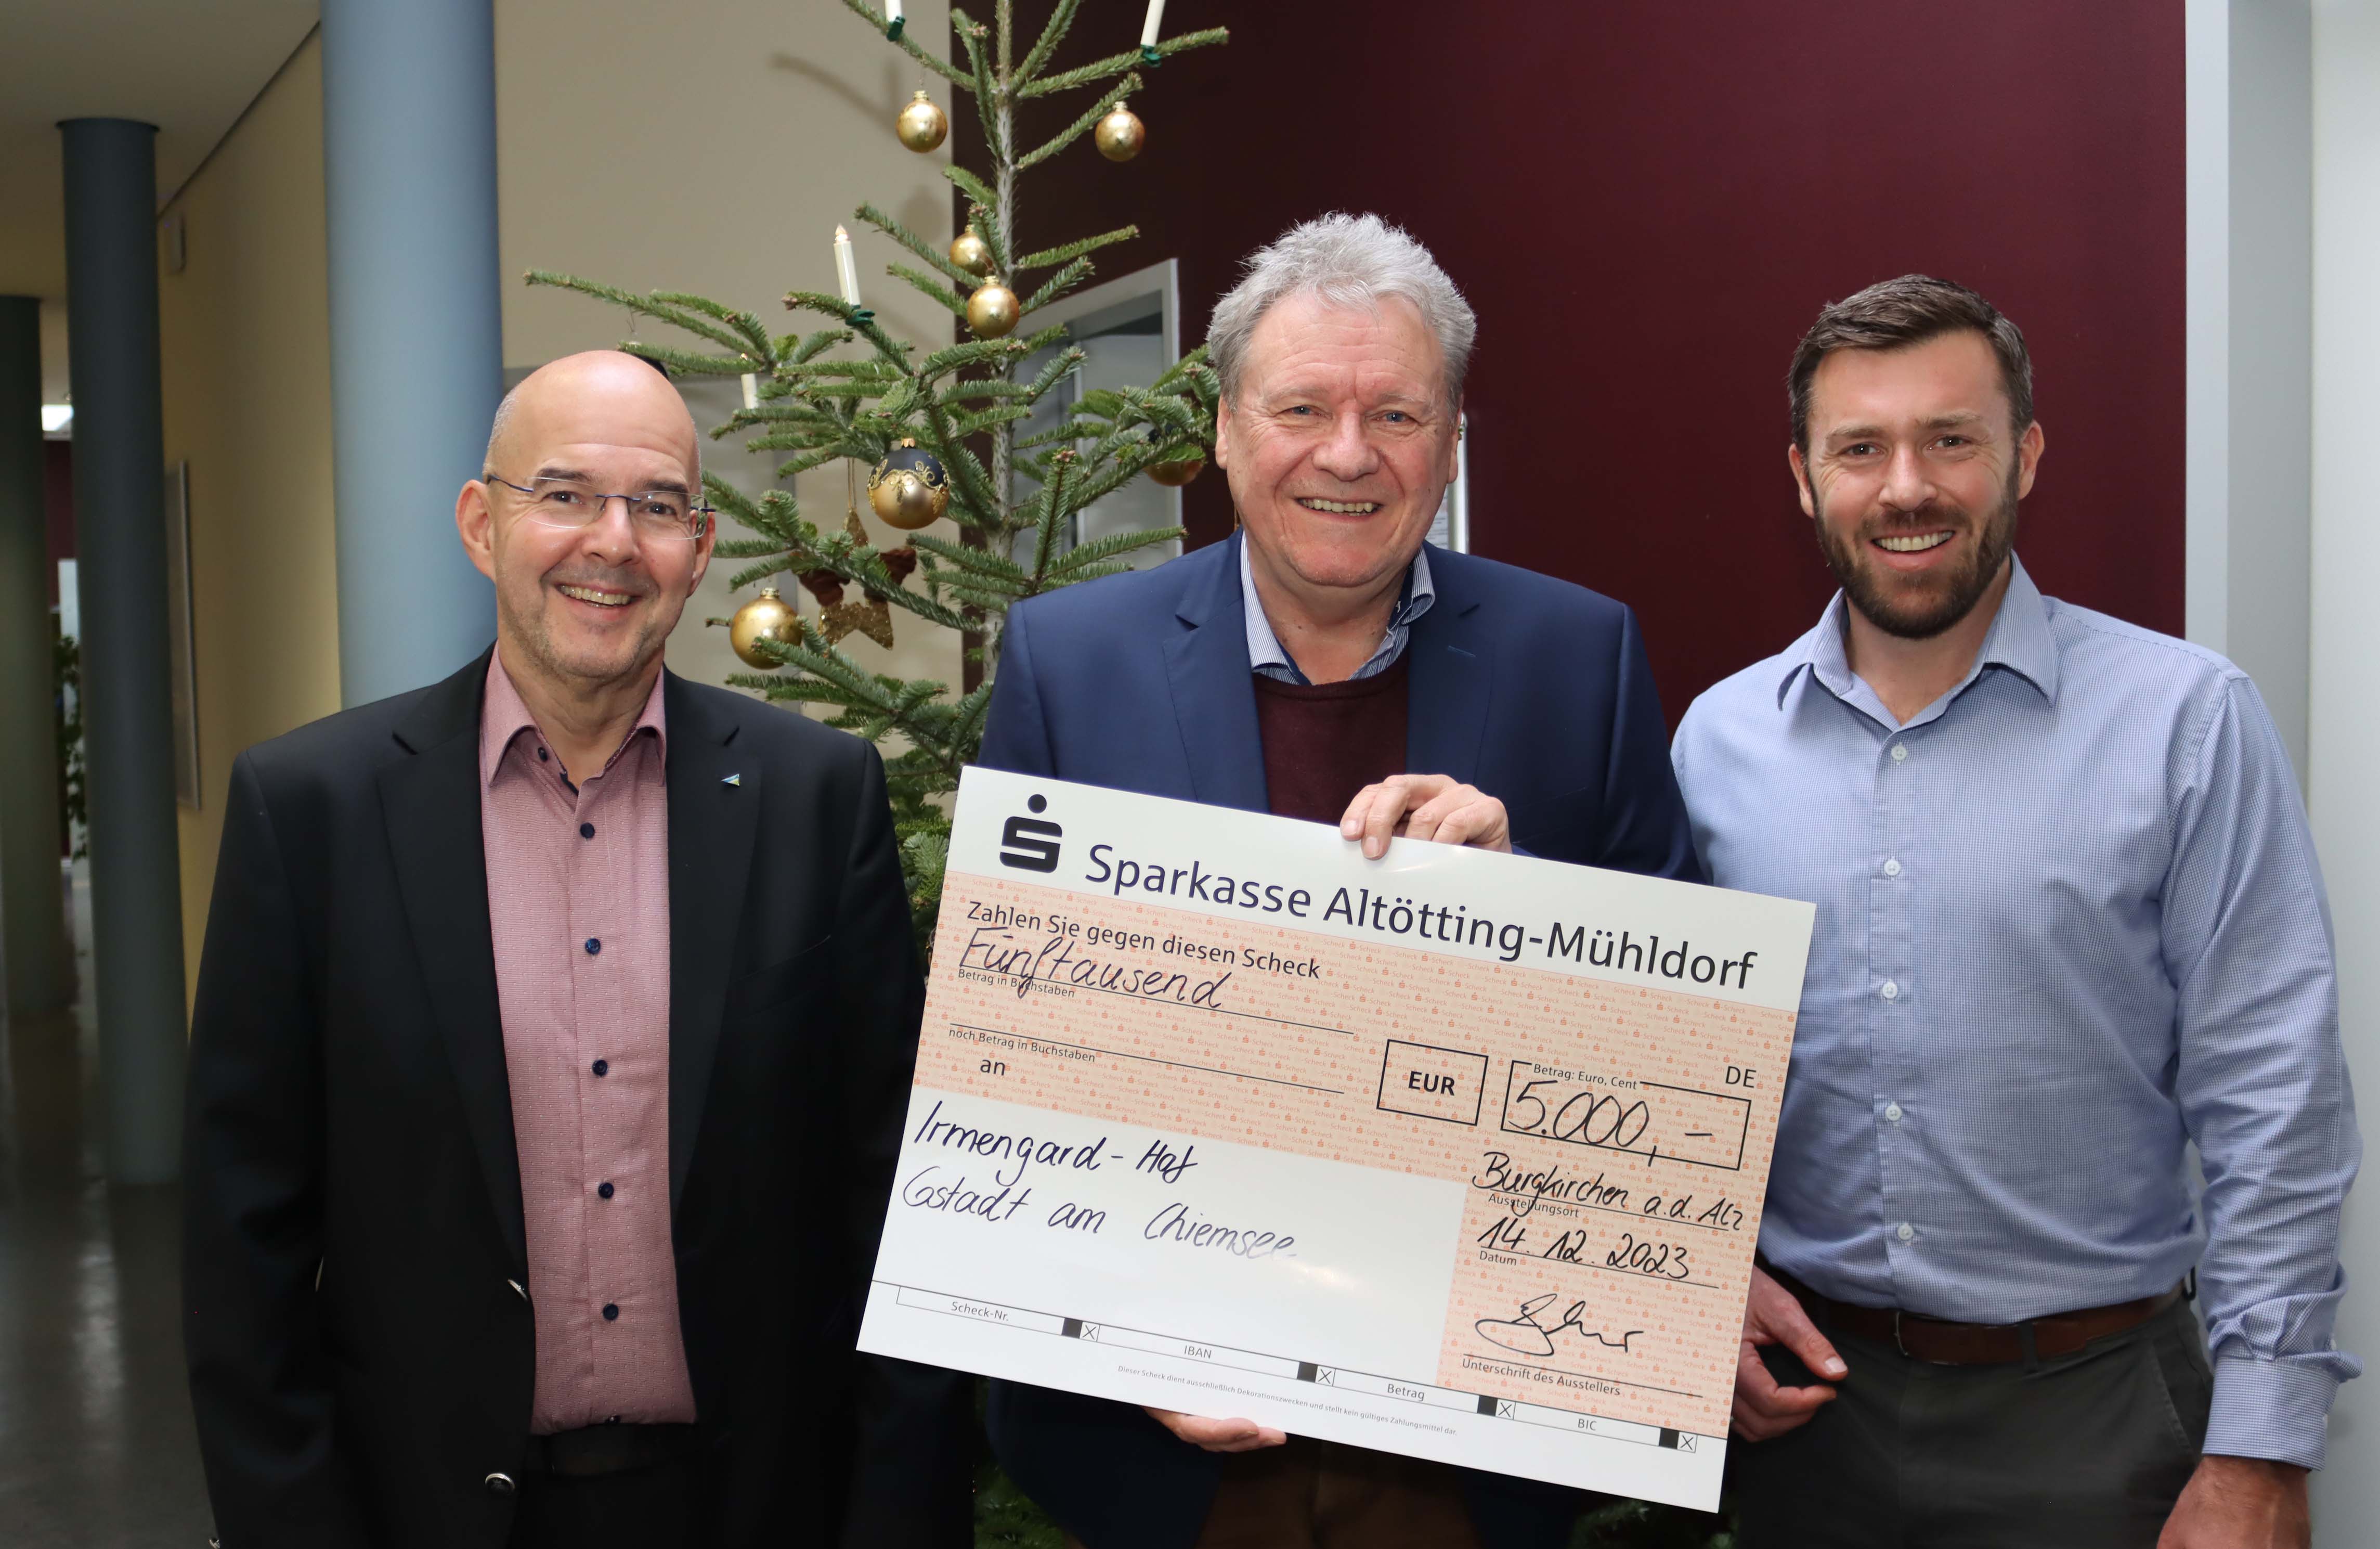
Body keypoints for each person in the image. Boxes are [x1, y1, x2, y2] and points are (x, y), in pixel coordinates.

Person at [976, 214, 1701, 1549]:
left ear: (1452, 440)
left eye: (1397, 414)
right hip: (1172, 1453)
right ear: (1225, 429)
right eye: (1302, 407)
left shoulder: (1578, 656)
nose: (1349, 454)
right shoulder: (1068, 662)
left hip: (1471, 1440)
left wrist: (1526, 895)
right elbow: (1010, 1062)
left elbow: (1684, 1051)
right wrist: (1122, 1337)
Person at [180, 352, 970, 1549]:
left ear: (698, 549)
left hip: (754, 1505)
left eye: (656, 505)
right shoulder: (312, 812)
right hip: (427, 1512)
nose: (613, 541)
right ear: (481, 524)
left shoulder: (816, 798)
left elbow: (893, 1192)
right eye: (565, 494)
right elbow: (244, 1242)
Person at [1671, 275, 2359, 1548]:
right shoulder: (1717, 741)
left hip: (2100, 1427)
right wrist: (1706, 1292)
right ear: (1804, 478)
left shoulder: (2188, 722)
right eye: (1860, 449)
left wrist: (2260, 1448)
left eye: (1952, 439)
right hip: (1807, 1428)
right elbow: (1678, 1076)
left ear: (2025, 456)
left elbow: (2275, 1097)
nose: (1907, 487)